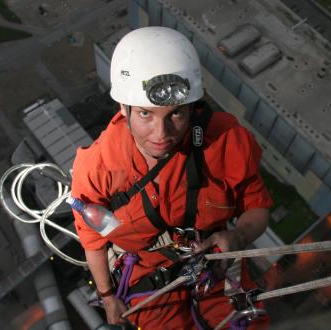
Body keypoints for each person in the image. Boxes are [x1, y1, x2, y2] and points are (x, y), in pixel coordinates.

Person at [71, 26, 273, 329]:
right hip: (149, 279)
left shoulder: (223, 141)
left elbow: (257, 208)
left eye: (176, 114)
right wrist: (108, 297)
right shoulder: (99, 168)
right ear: (123, 109)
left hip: (214, 261)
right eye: (145, 114)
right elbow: (94, 244)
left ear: (192, 107)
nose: (161, 135)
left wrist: (238, 236)